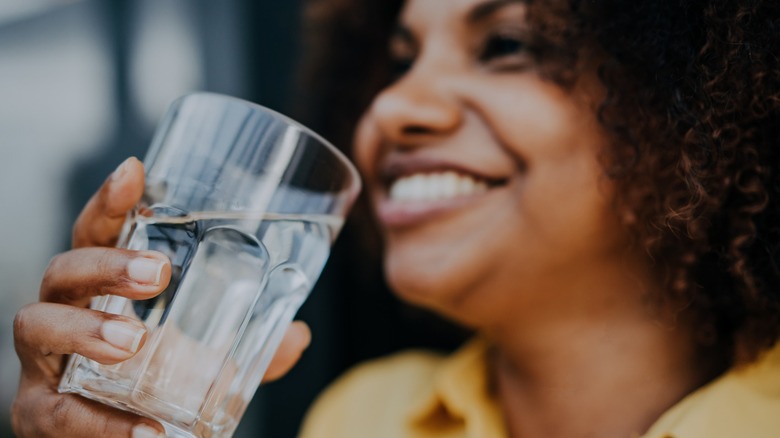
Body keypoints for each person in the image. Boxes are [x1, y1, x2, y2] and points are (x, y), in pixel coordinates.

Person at [12, 0, 780, 437]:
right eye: (401, 58)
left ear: (702, 111)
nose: (392, 105)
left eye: (507, 45)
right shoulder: (363, 417)